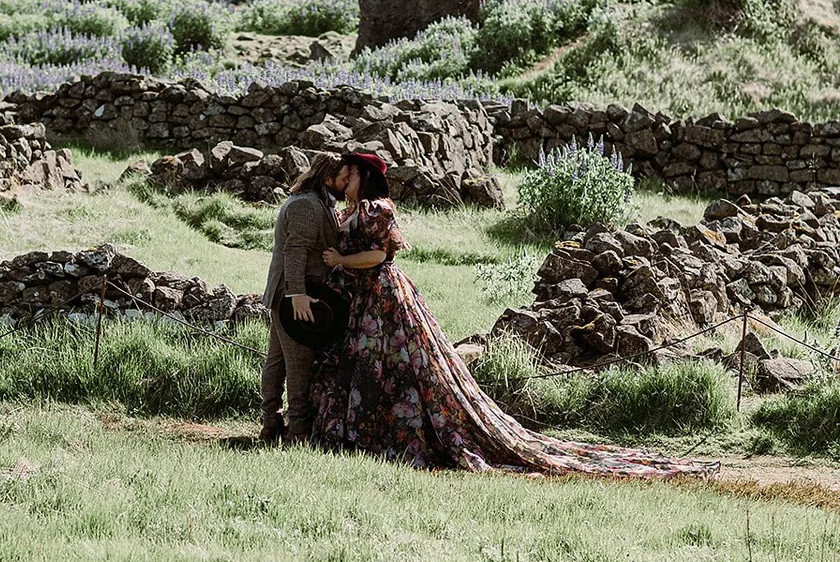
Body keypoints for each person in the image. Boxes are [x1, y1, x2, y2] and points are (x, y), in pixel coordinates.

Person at [311, 152, 718, 479]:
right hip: (362, 300)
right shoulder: (351, 211)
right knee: (372, 363)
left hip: (383, 296)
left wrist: (342, 260)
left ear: (364, 176)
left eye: (350, 174)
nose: (344, 181)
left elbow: (379, 255)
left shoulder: (376, 209)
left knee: (400, 364)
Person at [260, 151, 350, 443]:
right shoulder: (307, 206)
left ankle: (271, 424)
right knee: (298, 363)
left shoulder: (316, 202)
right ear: (328, 179)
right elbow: (295, 251)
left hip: (291, 294)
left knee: (277, 360)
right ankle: (297, 430)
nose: (346, 183)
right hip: (295, 296)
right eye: (343, 178)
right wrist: (296, 294)